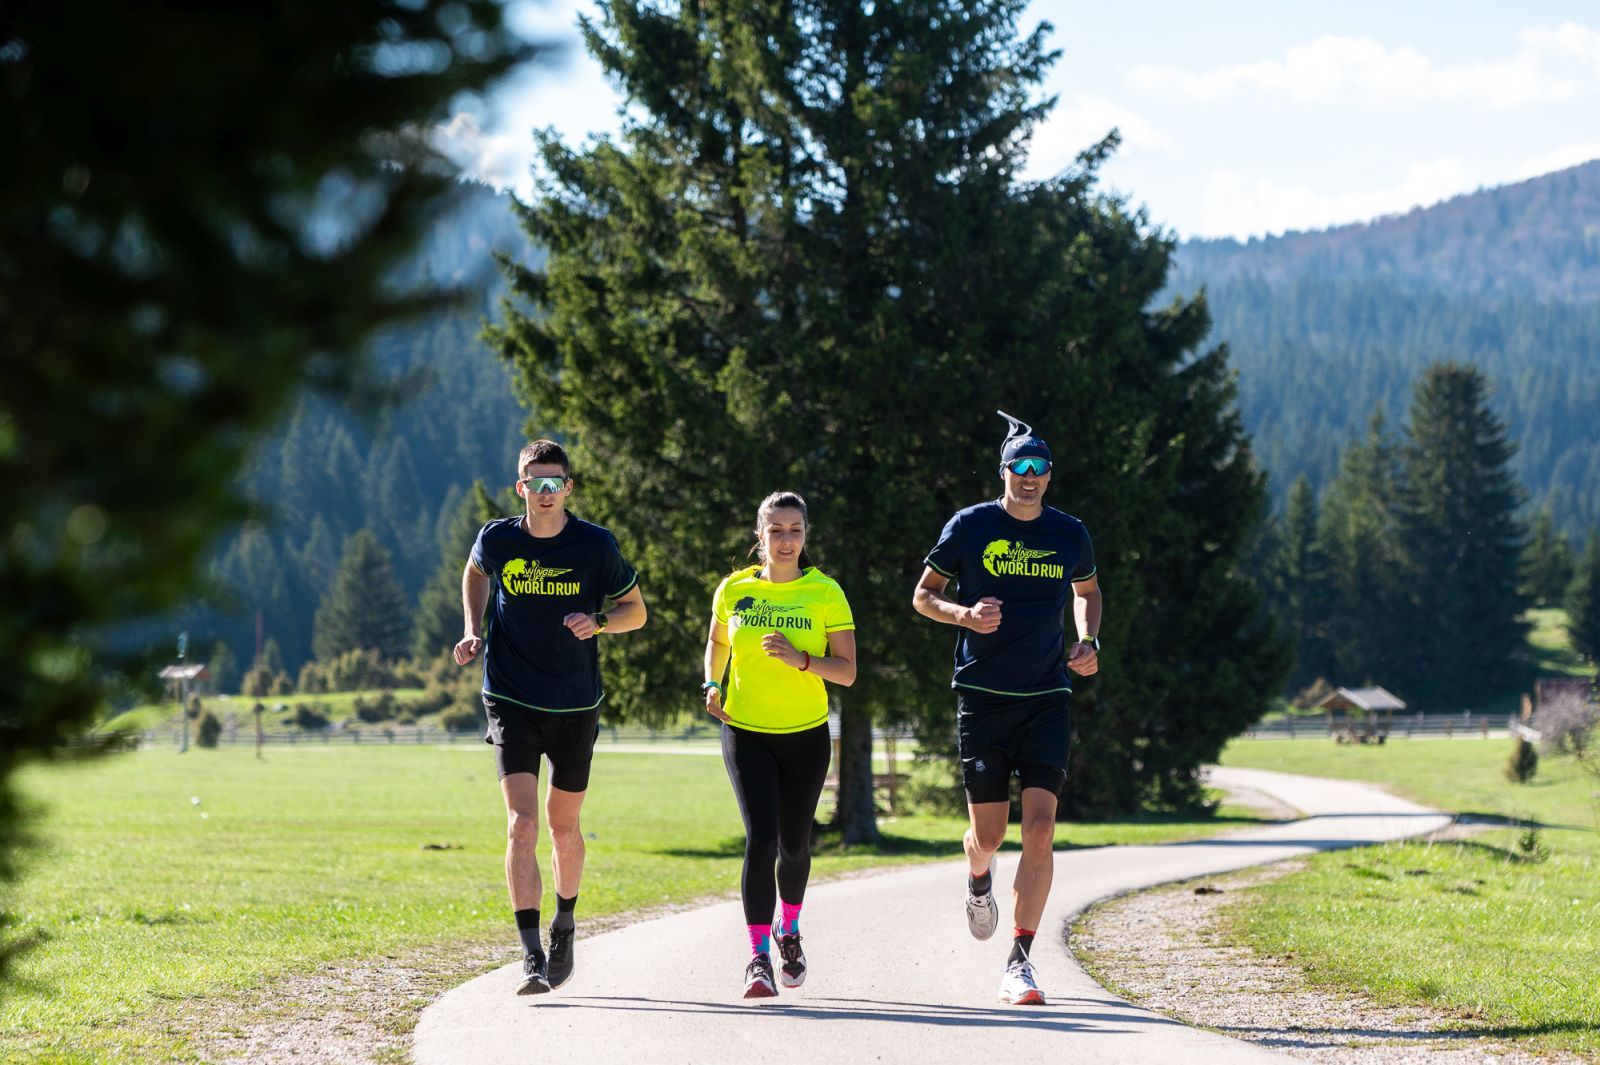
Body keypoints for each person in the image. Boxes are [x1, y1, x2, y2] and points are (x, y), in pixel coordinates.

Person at [911, 412, 1102, 1006]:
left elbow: (1088, 593)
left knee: (1040, 830)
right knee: (989, 836)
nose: (1030, 476)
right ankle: (978, 878)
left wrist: (1089, 640)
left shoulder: (1069, 533)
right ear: (1004, 472)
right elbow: (924, 596)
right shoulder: (970, 526)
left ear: (1050, 476)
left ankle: (1020, 962)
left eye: (1040, 467)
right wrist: (964, 616)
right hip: (983, 699)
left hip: (1047, 697)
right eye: (1020, 466)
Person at [454, 439, 648, 995]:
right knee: (522, 824)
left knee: (563, 827)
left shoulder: (595, 545)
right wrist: (472, 628)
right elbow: (475, 572)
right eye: (534, 483)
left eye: (553, 483)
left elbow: (636, 611)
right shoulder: (498, 538)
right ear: (521, 487)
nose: (544, 492)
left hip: (574, 704)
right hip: (509, 696)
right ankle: (531, 954)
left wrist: (600, 622)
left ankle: (565, 921)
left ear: (567, 488)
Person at [702, 491, 857, 1000]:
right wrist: (712, 683)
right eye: (776, 530)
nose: (785, 540)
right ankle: (757, 958)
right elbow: (718, 642)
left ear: (805, 535)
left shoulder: (825, 592)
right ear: (759, 535)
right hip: (745, 731)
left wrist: (802, 660)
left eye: (794, 530)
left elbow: (848, 672)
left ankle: (788, 929)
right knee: (761, 840)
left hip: (806, 736)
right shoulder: (733, 589)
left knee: (794, 845)